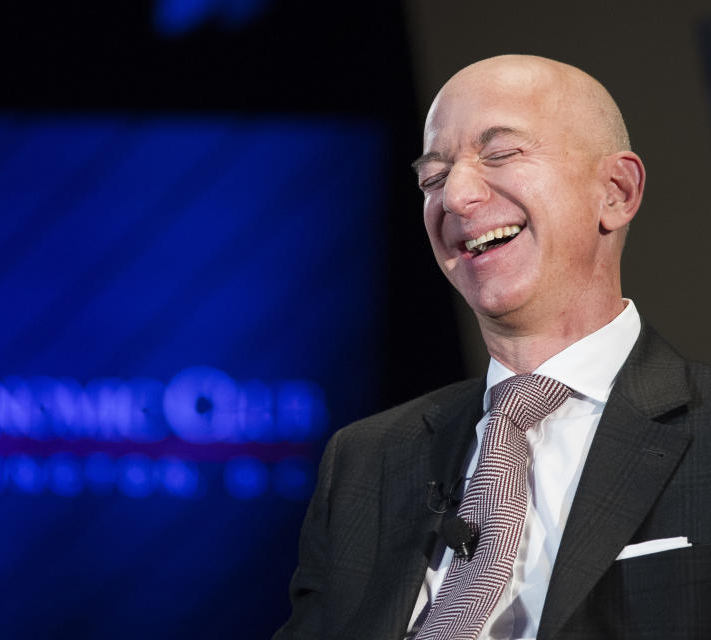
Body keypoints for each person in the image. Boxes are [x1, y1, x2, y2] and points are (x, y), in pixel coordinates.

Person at [273, 54, 711, 639]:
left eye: (500, 154)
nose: (454, 197)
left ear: (617, 191)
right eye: (432, 178)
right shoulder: (364, 462)